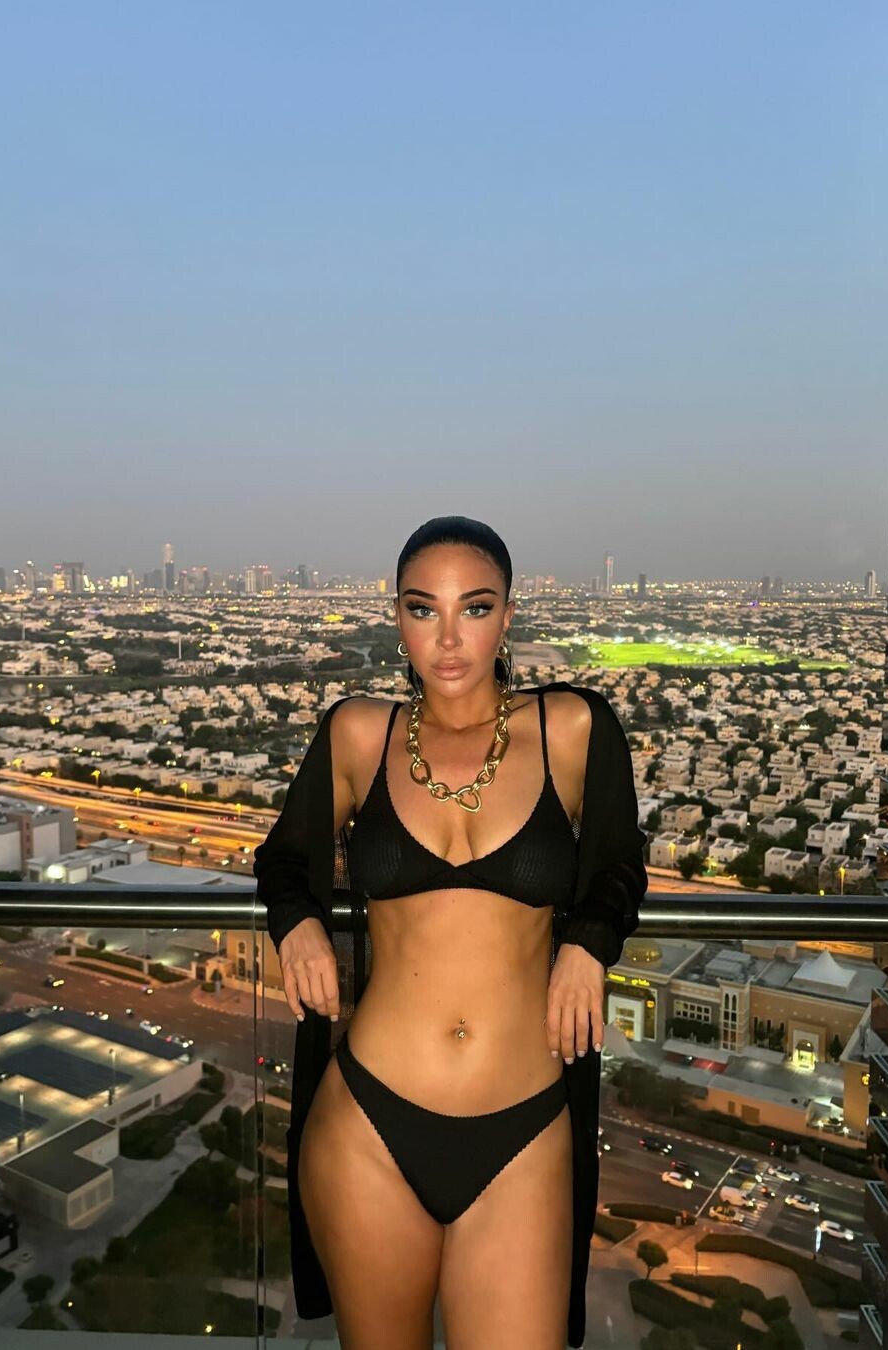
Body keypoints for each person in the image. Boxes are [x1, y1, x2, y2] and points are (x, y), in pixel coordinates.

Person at [253, 515, 647, 1349]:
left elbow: (620, 863)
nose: (448, 637)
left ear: (508, 616)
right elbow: (284, 859)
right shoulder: (359, 734)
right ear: (396, 617)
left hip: (525, 1128)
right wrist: (298, 926)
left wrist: (588, 944)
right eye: (422, 608)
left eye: (474, 607)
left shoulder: (573, 728)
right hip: (367, 1122)